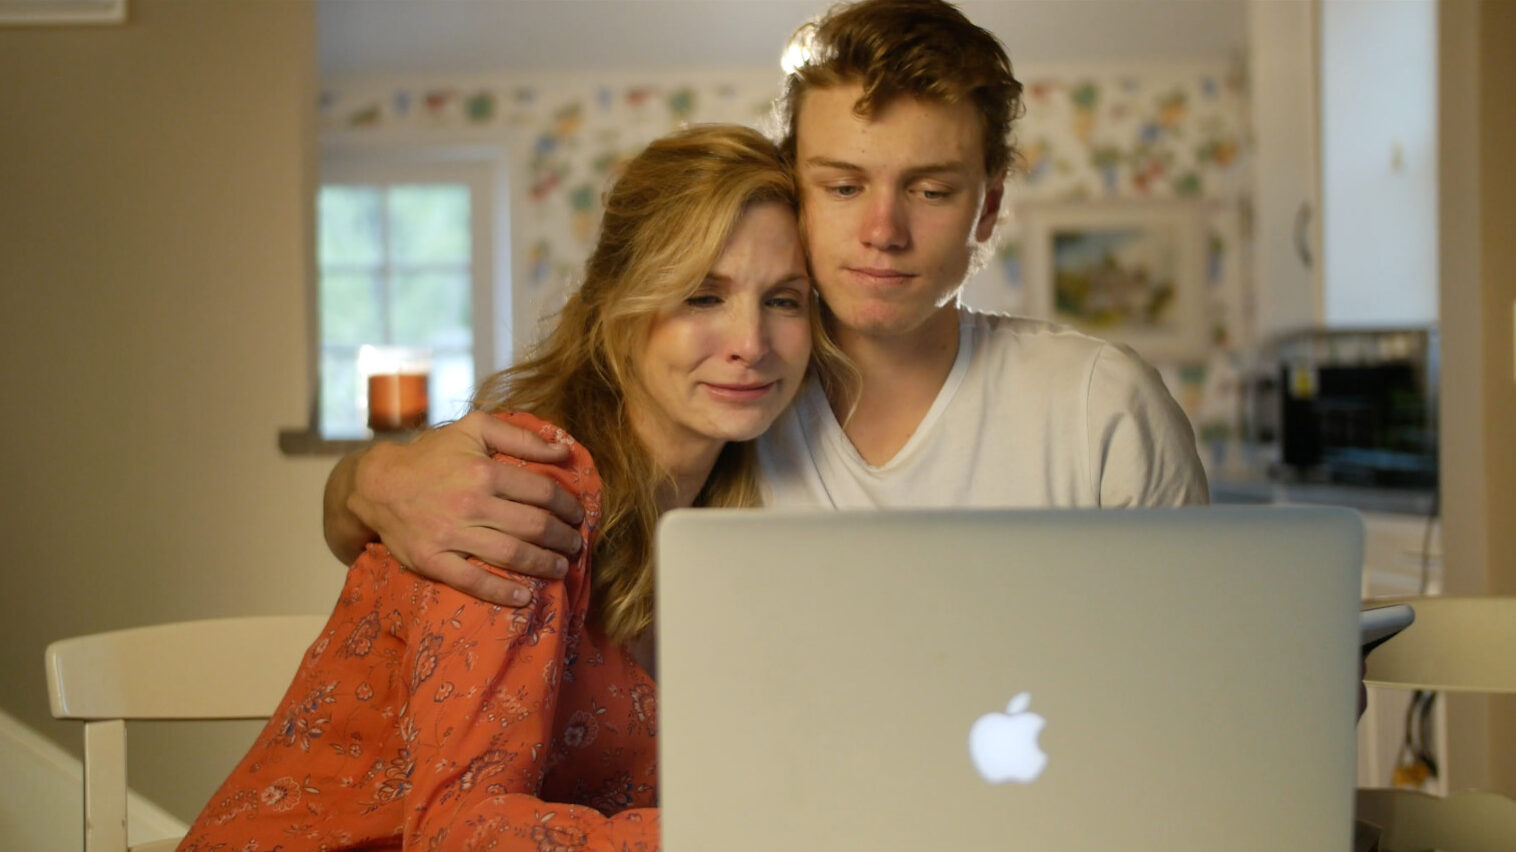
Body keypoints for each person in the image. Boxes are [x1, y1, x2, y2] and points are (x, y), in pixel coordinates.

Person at [320, 0, 1208, 608]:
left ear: (990, 201)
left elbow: (1204, 677)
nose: (884, 231)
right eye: (845, 185)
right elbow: (510, 503)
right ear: (797, 184)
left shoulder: (1098, 407)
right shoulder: (722, 392)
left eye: (932, 190)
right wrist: (371, 479)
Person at [179, 124, 844, 850]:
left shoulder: (738, 506)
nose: (751, 341)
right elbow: (458, 832)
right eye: (702, 296)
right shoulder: (525, 490)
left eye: (785, 300)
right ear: (618, 307)